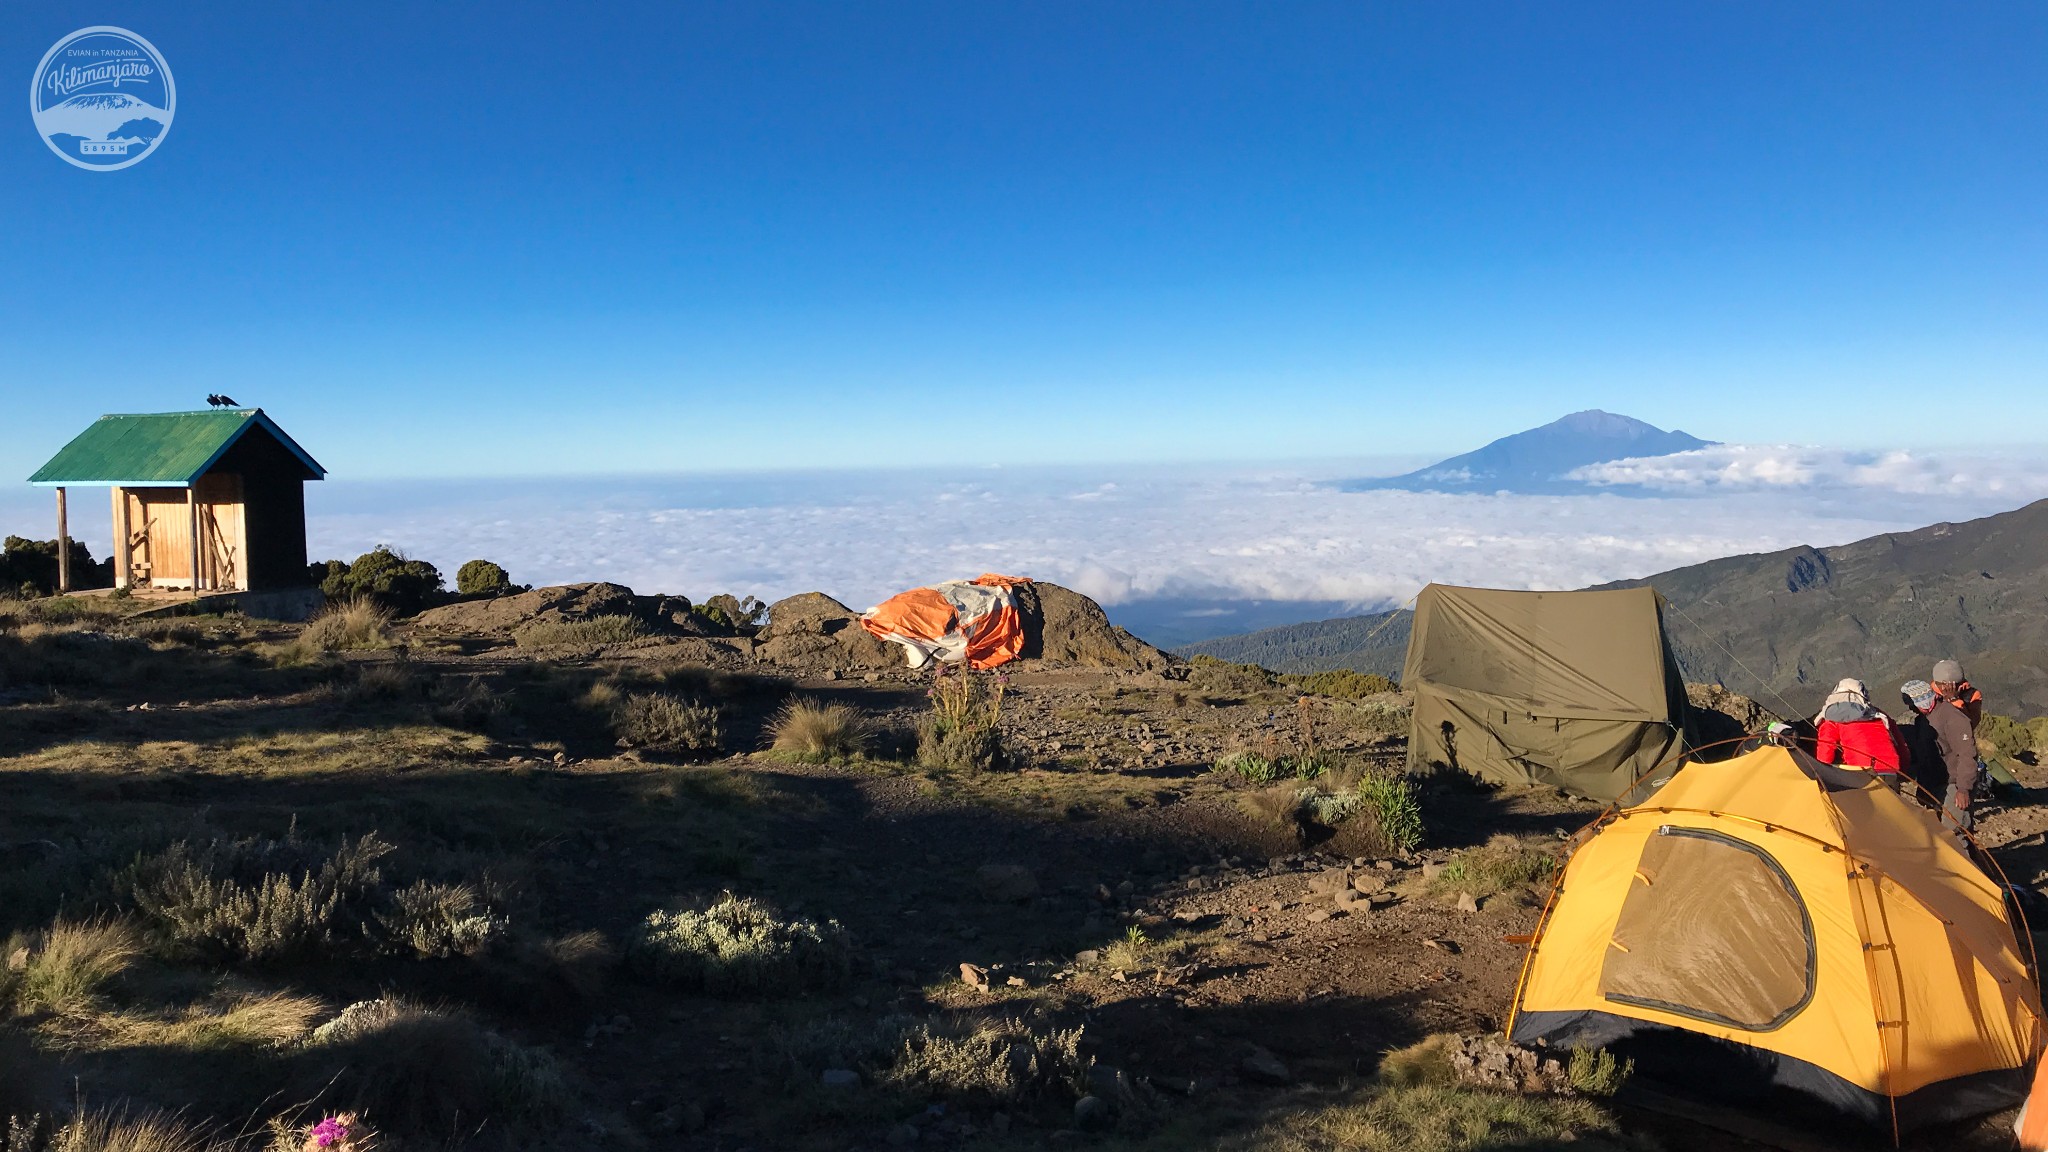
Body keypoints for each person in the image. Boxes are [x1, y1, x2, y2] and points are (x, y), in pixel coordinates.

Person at [1902, 678, 1979, 832]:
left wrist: (1963, 789)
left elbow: (1967, 754)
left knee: (1955, 832)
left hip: (1954, 783)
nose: (1911, 709)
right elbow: (1924, 755)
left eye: (1912, 704)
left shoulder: (1952, 717)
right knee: (1939, 831)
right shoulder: (1922, 721)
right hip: (1935, 783)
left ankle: (1964, 856)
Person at [1813, 678, 1907, 786]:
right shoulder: (1878, 714)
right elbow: (1900, 745)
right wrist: (1903, 772)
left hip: (1861, 772)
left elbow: (1826, 749)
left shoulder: (1832, 717)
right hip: (1890, 770)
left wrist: (1821, 777)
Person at [1932, 658, 1984, 729]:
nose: (1947, 688)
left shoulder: (1972, 695)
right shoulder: (1930, 695)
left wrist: (1954, 700)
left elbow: (1971, 724)